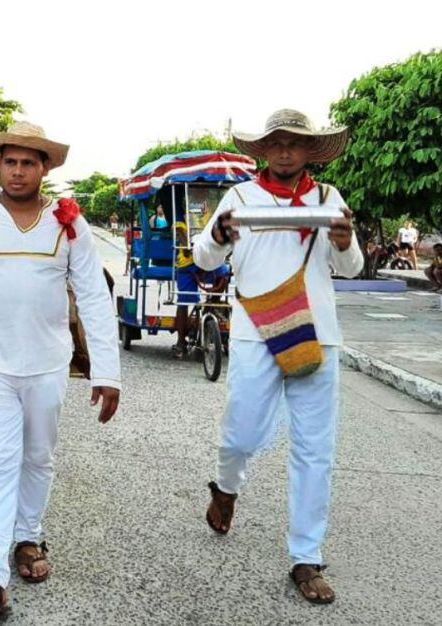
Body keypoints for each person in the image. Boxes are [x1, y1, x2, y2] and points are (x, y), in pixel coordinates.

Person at [0, 122, 120, 618]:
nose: (17, 171)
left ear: (45, 168)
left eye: (28, 163)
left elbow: (94, 296)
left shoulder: (67, 222)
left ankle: (28, 537)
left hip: (48, 364)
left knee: (38, 457)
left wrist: (107, 372)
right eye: (9, 162)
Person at [195, 109, 362, 605]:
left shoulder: (328, 199)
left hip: (317, 333)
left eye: (295, 144)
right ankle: (227, 485)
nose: (286, 151)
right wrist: (219, 236)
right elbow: (204, 258)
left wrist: (346, 241)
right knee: (242, 431)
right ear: (264, 150)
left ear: (310, 150)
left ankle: (306, 558)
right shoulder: (239, 197)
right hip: (254, 332)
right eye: (277, 143)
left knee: (315, 449)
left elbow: (350, 268)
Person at [172, 219, 230, 358]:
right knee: (184, 300)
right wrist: (188, 245)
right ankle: (181, 342)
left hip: (210, 260)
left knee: (225, 274)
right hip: (188, 264)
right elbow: (183, 241)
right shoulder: (181, 219)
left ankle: (209, 308)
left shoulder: (211, 215)